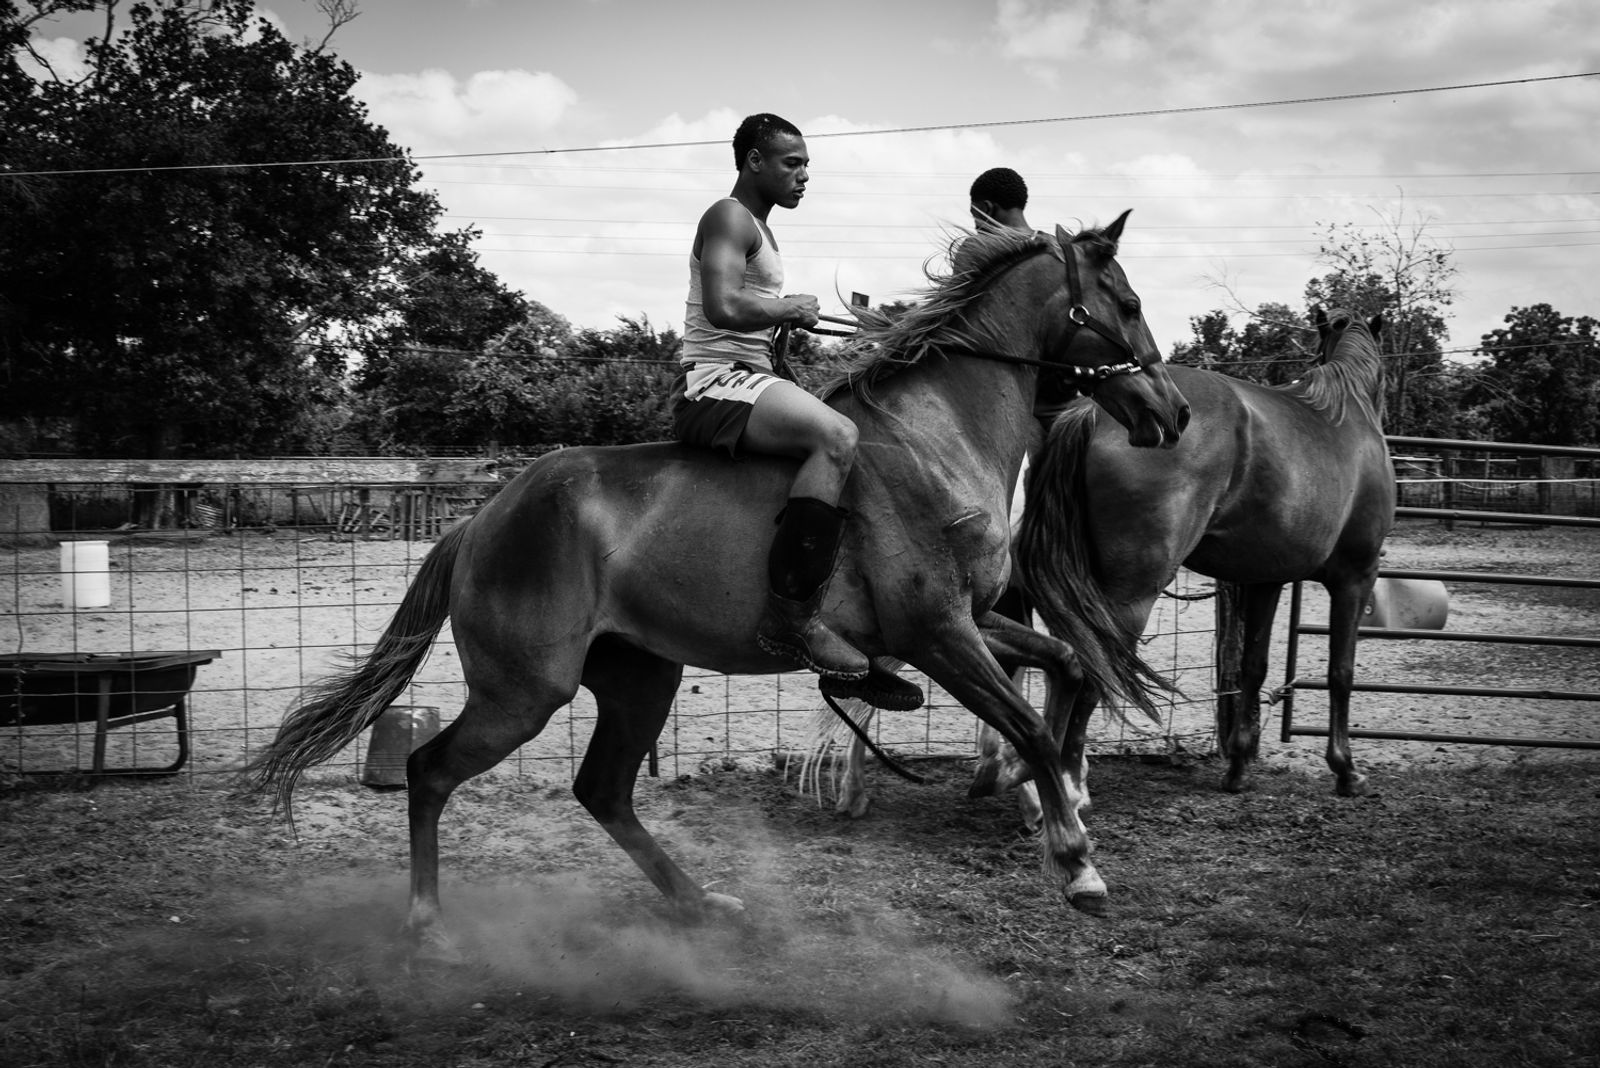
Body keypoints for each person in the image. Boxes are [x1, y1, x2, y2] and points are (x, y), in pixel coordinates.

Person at [674, 113, 921, 711]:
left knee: (852, 424)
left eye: (807, 164)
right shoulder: (728, 217)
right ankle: (793, 619)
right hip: (713, 384)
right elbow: (724, 306)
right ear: (754, 161)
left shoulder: (760, 227)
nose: (804, 175)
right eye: (793, 162)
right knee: (836, 435)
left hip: (749, 377)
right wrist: (788, 307)